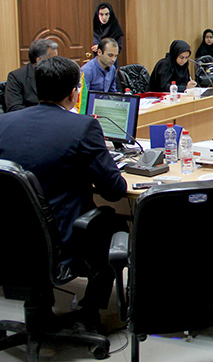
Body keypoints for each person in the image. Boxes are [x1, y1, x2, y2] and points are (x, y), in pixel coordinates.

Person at [0, 56, 128, 329]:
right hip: (61, 242)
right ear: (73, 93)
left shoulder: (3, 123)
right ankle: (90, 311)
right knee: (115, 223)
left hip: (8, 239)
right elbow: (115, 190)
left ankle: (40, 308)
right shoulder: (82, 127)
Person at [5, 38, 58, 112]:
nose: (56, 63)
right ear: (39, 60)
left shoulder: (58, 73)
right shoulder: (16, 77)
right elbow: (14, 108)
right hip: (30, 116)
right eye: (52, 60)